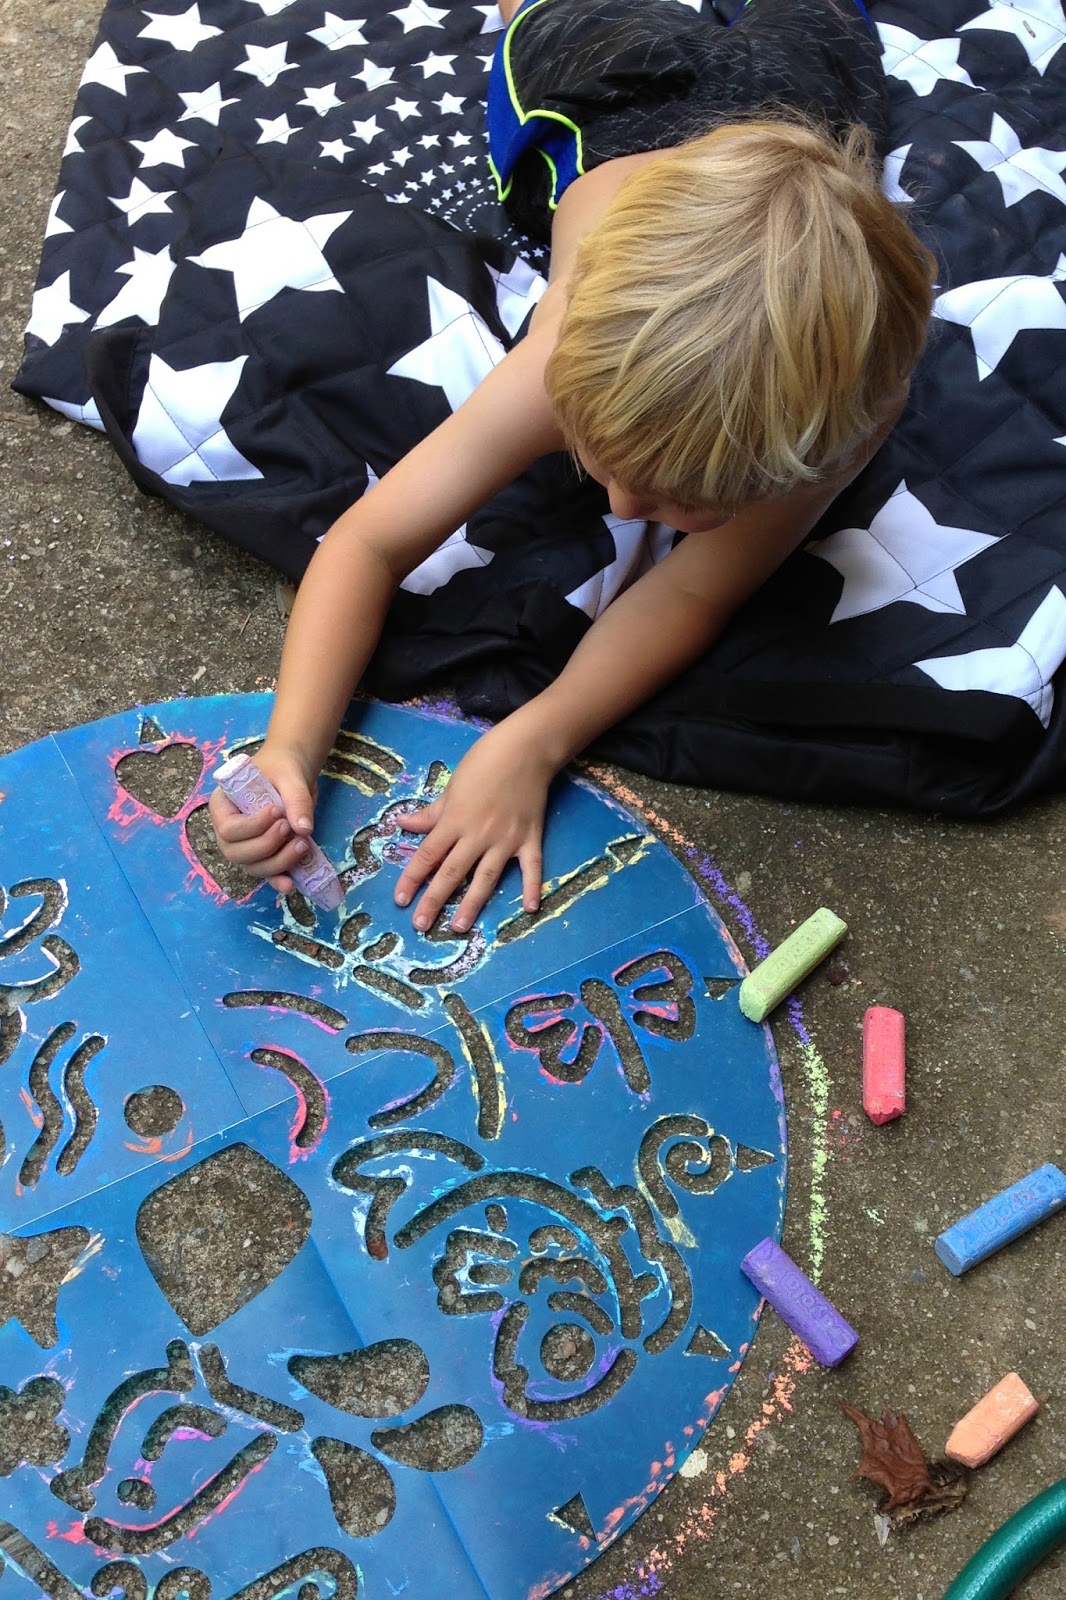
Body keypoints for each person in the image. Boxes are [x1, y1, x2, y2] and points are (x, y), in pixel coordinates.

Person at [210, 0, 936, 935]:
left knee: (825, 21)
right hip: (613, 90)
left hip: (796, 86)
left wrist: (534, 739)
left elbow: (690, 595)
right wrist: (290, 750)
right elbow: (367, 543)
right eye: (607, 463)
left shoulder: (838, 416)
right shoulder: (569, 348)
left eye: (686, 505)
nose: (630, 507)